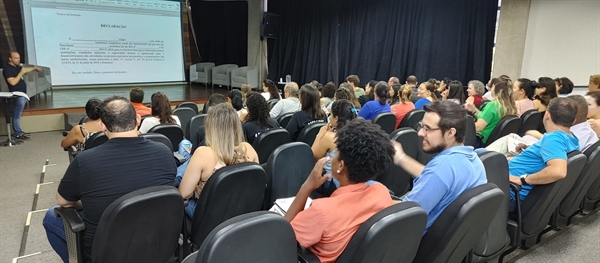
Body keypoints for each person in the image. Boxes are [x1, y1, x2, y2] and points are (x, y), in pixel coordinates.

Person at [43, 96, 177, 262]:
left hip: (104, 251)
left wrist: (88, 201)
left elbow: (63, 202)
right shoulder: (164, 151)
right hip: (156, 244)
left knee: (51, 216)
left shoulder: (85, 160)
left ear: (102, 126)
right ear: (137, 120)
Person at [286, 119, 394, 262]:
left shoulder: (322, 211)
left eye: (336, 153)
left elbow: (282, 235)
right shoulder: (381, 192)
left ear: (341, 166)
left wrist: (307, 186)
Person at [392, 101, 487, 231]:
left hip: (414, 240)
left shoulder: (441, 169)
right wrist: (401, 158)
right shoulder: (473, 160)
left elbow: (405, 212)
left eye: (428, 129)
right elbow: (435, 178)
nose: (420, 133)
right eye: (421, 126)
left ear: (450, 133)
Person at [178, 103, 259, 217]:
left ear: (210, 127)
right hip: (241, 213)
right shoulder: (248, 149)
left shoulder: (202, 153)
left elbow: (184, 194)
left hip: (210, 218)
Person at [507, 98, 580, 211]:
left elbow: (558, 171)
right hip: (513, 187)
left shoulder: (553, 139)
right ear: (574, 121)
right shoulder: (571, 138)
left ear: (547, 115)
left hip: (512, 192)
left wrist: (523, 180)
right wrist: (530, 151)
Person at [487, 95, 598, 154]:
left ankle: (479, 160)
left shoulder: (572, 137)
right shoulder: (587, 130)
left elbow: (552, 156)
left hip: (526, 172)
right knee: (512, 137)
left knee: (505, 146)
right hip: (539, 153)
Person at [311, 99, 358, 190]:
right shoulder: (358, 134)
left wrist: (320, 135)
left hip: (331, 183)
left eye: (331, 115)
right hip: (351, 181)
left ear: (336, 119)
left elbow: (313, 157)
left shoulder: (330, 137)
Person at [2, 51, 42, 140]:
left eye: (19, 58)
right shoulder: (7, 69)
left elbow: (25, 69)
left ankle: (18, 131)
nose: (18, 60)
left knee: (18, 115)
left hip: (22, 94)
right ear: (10, 59)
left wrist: (34, 68)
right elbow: (12, 82)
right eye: (16, 58)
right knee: (16, 115)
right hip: (17, 95)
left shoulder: (17, 67)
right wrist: (21, 73)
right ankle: (18, 133)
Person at [466, 81, 517, 147]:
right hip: (493, 142)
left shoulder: (493, 105)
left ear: (497, 91)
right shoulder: (510, 107)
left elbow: (478, 127)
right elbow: (491, 119)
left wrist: (460, 126)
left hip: (479, 141)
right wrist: (474, 110)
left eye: (492, 87)